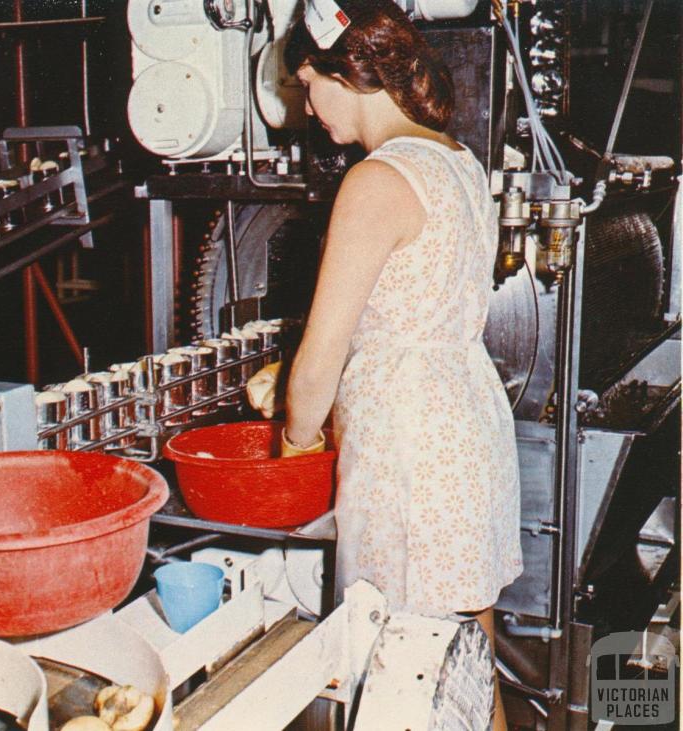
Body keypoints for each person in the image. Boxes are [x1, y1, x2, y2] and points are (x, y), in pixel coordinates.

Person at [246, 1, 523, 728]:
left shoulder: (375, 180)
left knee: (397, 674)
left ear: (351, 71)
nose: (307, 106)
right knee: (466, 667)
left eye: (309, 85)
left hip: (408, 455)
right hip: (464, 434)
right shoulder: (457, 161)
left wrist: (295, 452)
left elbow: (321, 359)